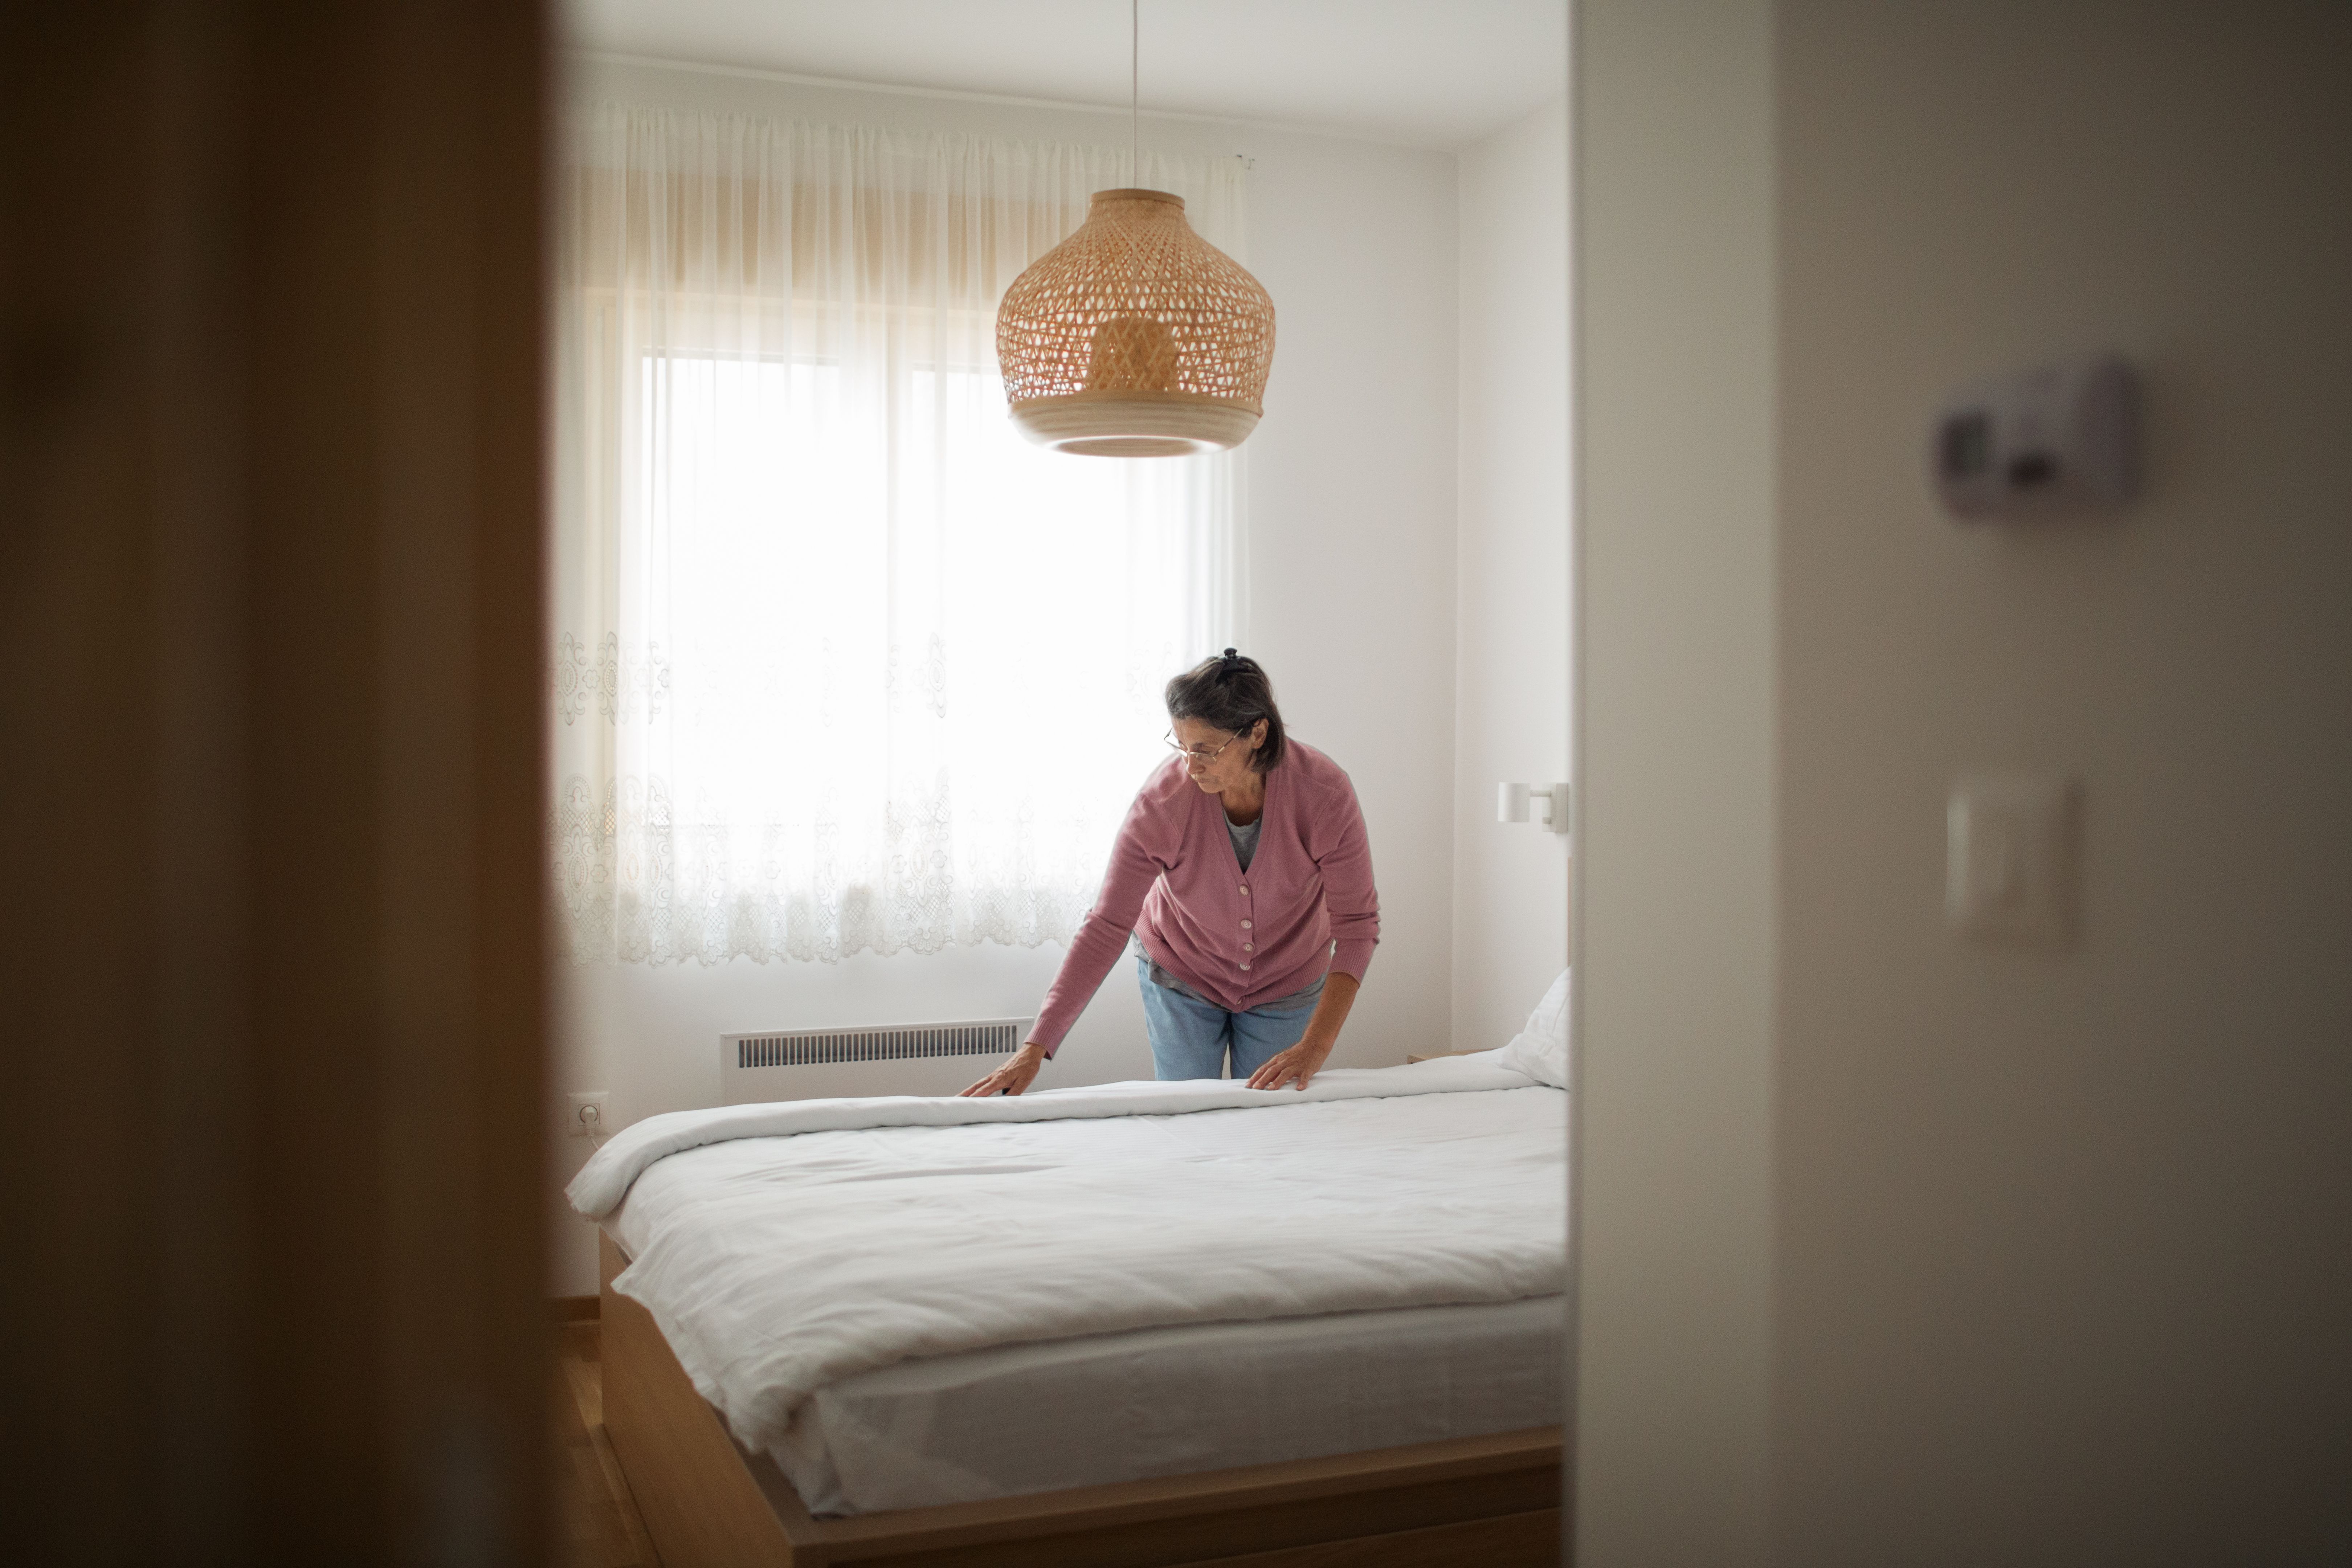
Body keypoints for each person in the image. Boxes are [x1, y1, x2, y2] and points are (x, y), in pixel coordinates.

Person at [961, 650, 1380, 1096]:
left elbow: (1357, 928)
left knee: (1269, 1117)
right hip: (1182, 971)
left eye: (1206, 750)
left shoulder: (1324, 795)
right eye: (1182, 746)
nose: (1190, 766)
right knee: (1186, 1113)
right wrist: (1036, 1047)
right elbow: (1107, 924)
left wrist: (1316, 1046)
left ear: (1257, 733)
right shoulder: (1163, 803)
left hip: (1288, 979)